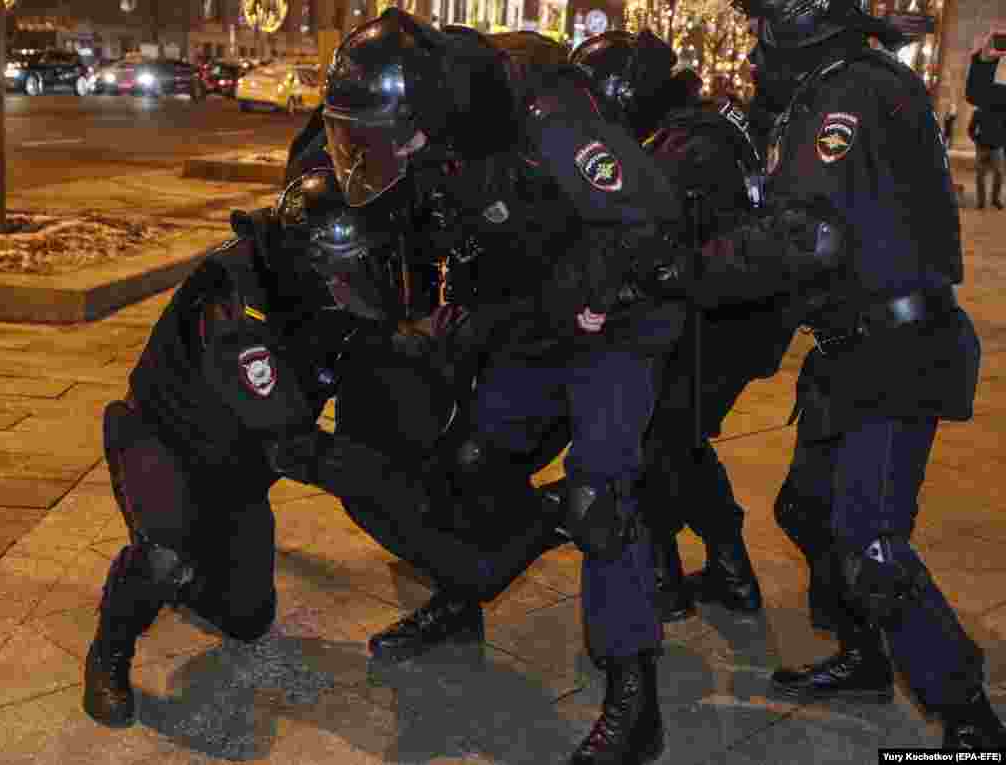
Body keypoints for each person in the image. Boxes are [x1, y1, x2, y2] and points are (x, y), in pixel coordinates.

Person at [320, 12, 689, 762]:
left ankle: (634, 697)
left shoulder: (546, 114)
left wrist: (579, 296)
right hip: (540, 309)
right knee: (475, 459)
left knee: (600, 499)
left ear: (424, 113)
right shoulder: (438, 124)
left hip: (619, 309)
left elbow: (652, 220)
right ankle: (461, 595)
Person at [82, 166, 565, 729]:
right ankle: (110, 650)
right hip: (161, 441)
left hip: (235, 470)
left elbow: (388, 346)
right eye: (352, 273)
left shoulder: (317, 293)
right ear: (313, 265)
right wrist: (389, 487)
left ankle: (188, 571)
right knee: (165, 554)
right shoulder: (237, 302)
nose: (363, 282)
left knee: (247, 618)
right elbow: (295, 445)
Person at [639, 0, 999, 748]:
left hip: (897, 350)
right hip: (853, 346)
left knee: (871, 545)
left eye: (761, 27)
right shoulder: (847, 83)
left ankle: (970, 723)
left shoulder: (848, 93)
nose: (753, 47)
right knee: (807, 508)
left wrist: (692, 269)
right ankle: (866, 655)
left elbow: (806, 235)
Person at [570, 29, 795, 623]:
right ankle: (729, 570)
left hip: (720, 321)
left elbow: (646, 242)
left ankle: (666, 579)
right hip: (731, 314)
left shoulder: (684, 147)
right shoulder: (698, 127)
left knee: (653, 443)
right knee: (679, 439)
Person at [967, 31, 1006, 210]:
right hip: (983, 144)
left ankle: (995, 199)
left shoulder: (993, 101)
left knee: (998, 174)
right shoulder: (984, 107)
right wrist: (977, 139)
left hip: (996, 145)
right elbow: (975, 95)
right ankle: (982, 202)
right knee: (981, 176)